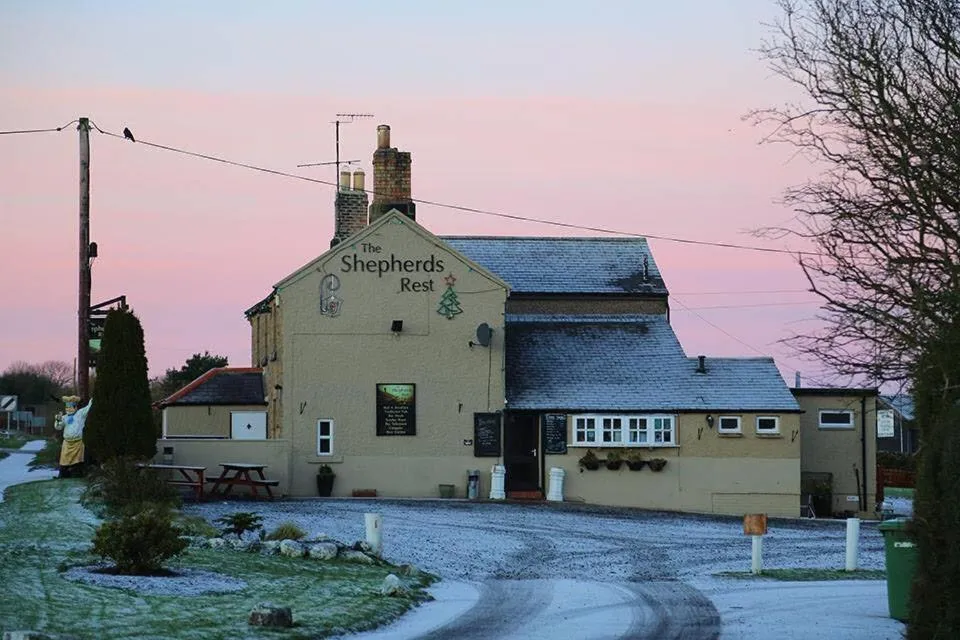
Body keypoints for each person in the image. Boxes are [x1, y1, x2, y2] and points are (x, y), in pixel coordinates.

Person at [54, 395, 93, 478]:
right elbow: (58, 427)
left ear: (75, 407)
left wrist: (92, 400)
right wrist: (58, 420)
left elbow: (88, 408)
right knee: (64, 461)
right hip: (67, 444)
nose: (68, 409)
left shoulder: (80, 414)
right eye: (67, 407)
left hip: (78, 443)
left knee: (77, 461)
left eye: (71, 407)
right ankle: (63, 475)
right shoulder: (64, 417)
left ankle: (76, 474)